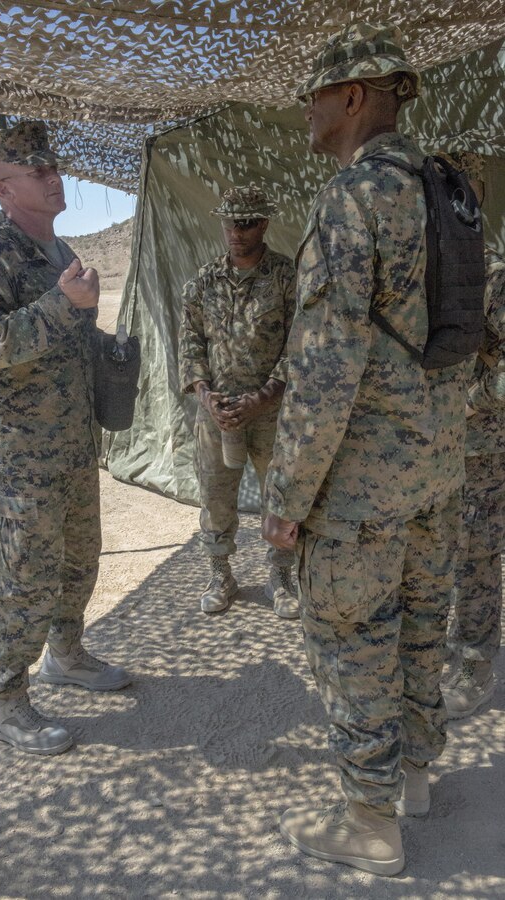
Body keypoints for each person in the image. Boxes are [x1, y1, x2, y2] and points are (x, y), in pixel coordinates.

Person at [262, 24, 470, 876]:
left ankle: (369, 822)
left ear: (352, 97)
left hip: (363, 487)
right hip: (435, 472)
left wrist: (286, 500)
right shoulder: (448, 191)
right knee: (423, 630)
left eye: (315, 93)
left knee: (352, 643)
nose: (307, 110)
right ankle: (415, 775)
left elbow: (324, 364)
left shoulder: (353, 197)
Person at [0, 120, 130, 757]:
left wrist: (108, 348)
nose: (55, 179)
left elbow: (69, 344)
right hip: (22, 451)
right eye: (38, 172)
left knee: (81, 555)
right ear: (5, 189)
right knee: (28, 572)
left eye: (54, 168)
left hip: (73, 440)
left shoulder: (61, 251)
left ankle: (67, 654)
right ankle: (3, 701)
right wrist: (62, 306)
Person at [178, 185, 298, 618]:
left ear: (264, 223)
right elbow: (190, 345)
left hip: (271, 414)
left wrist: (264, 398)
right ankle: (220, 573)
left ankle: (281, 574)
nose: (235, 232)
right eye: (229, 222)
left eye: (246, 223)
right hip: (218, 416)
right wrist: (207, 397)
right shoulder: (203, 281)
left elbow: (298, 346)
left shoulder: (287, 277)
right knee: (215, 494)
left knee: (279, 494)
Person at [440, 152, 505, 719]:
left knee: (476, 555)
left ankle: (477, 661)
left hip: (479, 446)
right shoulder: (420, 267)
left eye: (463, 185)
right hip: (421, 445)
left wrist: (468, 400)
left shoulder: (496, 274)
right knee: (434, 551)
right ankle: (443, 645)